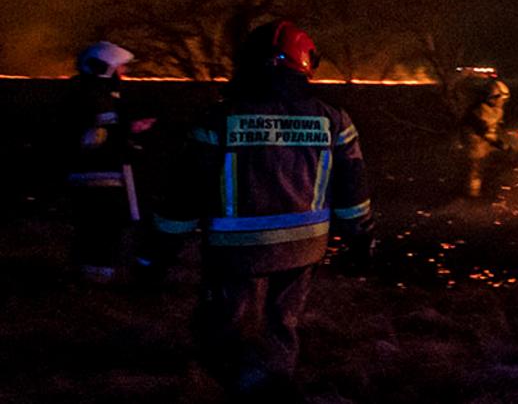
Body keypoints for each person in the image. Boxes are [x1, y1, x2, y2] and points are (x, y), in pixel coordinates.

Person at [151, 21, 374, 400]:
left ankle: (232, 387)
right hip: (304, 249)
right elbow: (352, 188)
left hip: (237, 252)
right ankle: (273, 386)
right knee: (282, 324)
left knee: (226, 327)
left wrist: (158, 251)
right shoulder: (334, 120)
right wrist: (360, 238)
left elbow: (185, 191)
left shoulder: (219, 119)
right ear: (304, 64)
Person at [63, 41, 154, 283]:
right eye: (121, 68)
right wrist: (129, 129)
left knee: (97, 225)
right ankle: (96, 276)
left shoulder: (91, 92)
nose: (124, 73)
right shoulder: (95, 95)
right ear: (105, 67)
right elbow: (98, 133)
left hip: (99, 171)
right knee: (103, 224)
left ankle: (92, 273)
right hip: (99, 173)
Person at [459, 78, 511, 198]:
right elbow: (486, 133)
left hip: (483, 143)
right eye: (501, 99)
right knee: (475, 168)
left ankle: (487, 189)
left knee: (486, 165)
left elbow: (496, 127)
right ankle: (472, 196)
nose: (502, 102)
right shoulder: (480, 111)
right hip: (474, 143)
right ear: (493, 97)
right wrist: (502, 145)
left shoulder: (495, 110)